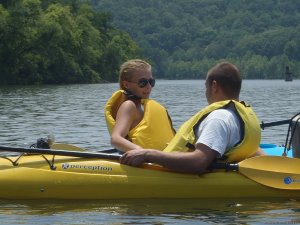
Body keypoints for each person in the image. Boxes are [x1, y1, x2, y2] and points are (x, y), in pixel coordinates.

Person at [120, 62, 264, 173]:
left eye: (205, 86)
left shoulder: (218, 118)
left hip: (179, 181)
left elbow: (199, 161)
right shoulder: (238, 116)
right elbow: (253, 151)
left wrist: (147, 154)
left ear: (214, 86)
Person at [105, 59, 175, 152]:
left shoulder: (144, 107)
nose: (148, 86)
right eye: (142, 82)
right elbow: (116, 139)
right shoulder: (129, 106)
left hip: (159, 158)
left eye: (151, 81)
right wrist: (142, 152)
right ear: (126, 84)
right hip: (140, 160)